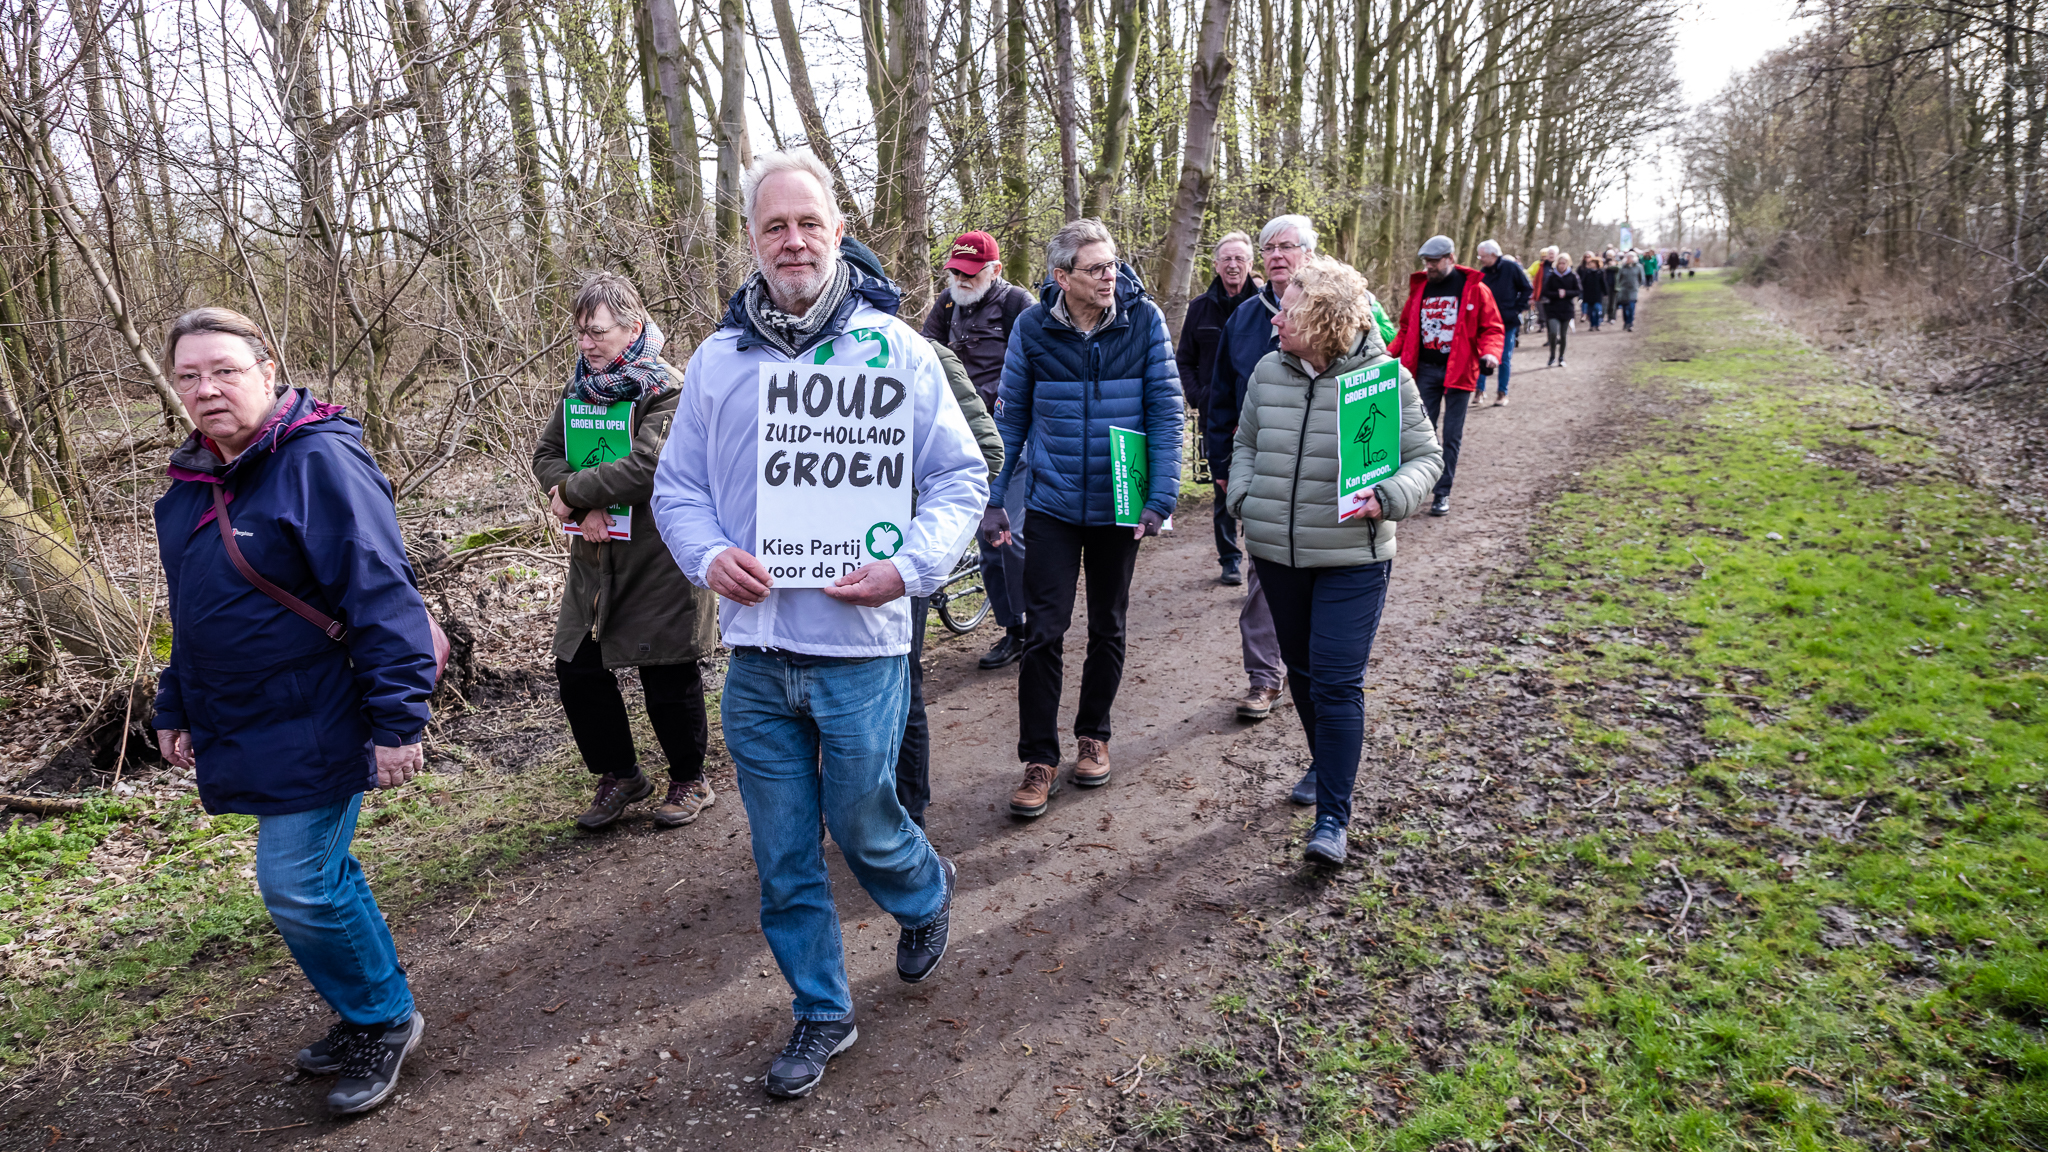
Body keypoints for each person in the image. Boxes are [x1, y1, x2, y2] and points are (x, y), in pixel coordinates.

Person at [650, 149, 986, 1100]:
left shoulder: (898, 350)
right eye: (773, 226)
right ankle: (820, 1010)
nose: (791, 241)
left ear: (839, 231)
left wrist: (911, 568)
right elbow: (677, 491)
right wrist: (709, 556)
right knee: (784, 850)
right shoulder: (718, 362)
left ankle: (923, 892)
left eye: (809, 224)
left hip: (859, 651)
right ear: (751, 241)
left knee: (864, 824)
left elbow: (962, 477)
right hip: (756, 656)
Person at [151, 307, 436, 1115]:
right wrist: (175, 703)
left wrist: (398, 721)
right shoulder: (192, 483)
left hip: (321, 710)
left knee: (297, 882)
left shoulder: (318, 463)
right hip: (245, 716)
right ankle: (366, 1009)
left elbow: (382, 595)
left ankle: (384, 1019)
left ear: (266, 369)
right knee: (321, 878)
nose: (207, 390)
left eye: (224, 371)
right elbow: (193, 609)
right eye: (189, 377)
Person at [1226, 255, 1443, 863]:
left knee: (1339, 682)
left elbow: (1427, 458)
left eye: (1288, 314)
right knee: (1305, 675)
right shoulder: (1268, 373)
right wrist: (1244, 493)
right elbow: (1243, 443)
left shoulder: (1385, 380)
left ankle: (1331, 821)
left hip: (1353, 557)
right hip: (1277, 555)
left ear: (1323, 319)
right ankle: (1326, 766)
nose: (1275, 324)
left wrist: (1392, 495)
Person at [982, 218, 1183, 818]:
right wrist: (995, 498)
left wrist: (1161, 497)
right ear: (1061, 276)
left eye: (1113, 264)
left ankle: (1094, 735)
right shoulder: (1032, 329)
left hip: (1121, 503)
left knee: (1109, 626)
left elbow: (1166, 413)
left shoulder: (1143, 321)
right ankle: (1038, 760)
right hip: (1052, 503)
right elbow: (1011, 419)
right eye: (1095, 268)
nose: (1110, 276)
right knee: (1043, 631)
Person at [533, 273, 720, 832]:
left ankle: (690, 779)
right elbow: (546, 453)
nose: (586, 344)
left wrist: (573, 492)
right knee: (577, 669)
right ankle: (619, 774)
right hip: (595, 560)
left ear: (633, 327)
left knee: (667, 672)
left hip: (658, 556)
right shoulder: (580, 389)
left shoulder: (668, 388)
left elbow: (647, 469)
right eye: (580, 333)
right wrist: (580, 502)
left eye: (597, 332)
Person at [862, 236, 1005, 833]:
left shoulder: (925, 357)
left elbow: (986, 450)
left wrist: (921, 517)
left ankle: (909, 812)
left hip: (898, 554)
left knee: (902, 678)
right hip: (813, 558)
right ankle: (849, 811)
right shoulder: (786, 366)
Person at [1204, 215, 1317, 722]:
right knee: (1262, 574)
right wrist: (1222, 463)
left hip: (1325, 469)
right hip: (1264, 467)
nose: (1275, 255)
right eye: (1267, 247)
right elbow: (1221, 396)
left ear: (1308, 253)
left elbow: (1377, 381)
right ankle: (1264, 677)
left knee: (1324, 574)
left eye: (1286, 246)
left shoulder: (1342, 307)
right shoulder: (1246, 319)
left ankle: (1315, 668)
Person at [921, 231, 1035, 670]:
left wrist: (987, 401)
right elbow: (925, 354)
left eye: (970, 273)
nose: (961, 280)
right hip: (957, 437)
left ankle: (1028, 625)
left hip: (1011, 439)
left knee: (1009, 538)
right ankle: (1013, 627)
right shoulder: (946, 306)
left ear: (995, 271)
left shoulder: (1017, 306)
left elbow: (1030, 368)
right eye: (955, 272)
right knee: (987, 545)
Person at [1385, 235, 1503, 519]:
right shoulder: (1421, 289)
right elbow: (1405, 328)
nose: (1430, 268)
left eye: (1435, 262)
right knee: (1420, 433)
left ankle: (1442, 492)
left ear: (1450, 258)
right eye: (1426, 262)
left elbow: (1492, 328)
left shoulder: (1475, 289)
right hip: (1424, 371)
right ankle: (1415, 489)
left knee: (1451, 435)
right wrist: (1388, 355)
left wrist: (1490, 354)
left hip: (1459, 371)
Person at [1175, 231, 1261, 585]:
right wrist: (1201, 396)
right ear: (1215, 265)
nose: (1233, 265)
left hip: (1259, 412)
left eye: (1240, 258)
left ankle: (1261, 560)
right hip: (1215, 415)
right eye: (1227, 258)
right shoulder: (1199, 308)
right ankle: (1229, 559)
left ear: (1251, 265)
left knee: (1263, 486)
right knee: (1223, 485)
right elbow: (1184, 361)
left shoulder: (1267, 306)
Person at [1475, 240, 1530, 408]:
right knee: (1482, 356)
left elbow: (1527, 288)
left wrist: (1517, 309)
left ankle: (1502, 392)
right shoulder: (1482, 273)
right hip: (1486, 322)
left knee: (1504, 357)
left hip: (1507, 321)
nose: (1480, 259)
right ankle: (1479, 390)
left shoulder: (1511, 268)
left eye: (1483, 256)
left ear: (1493, 255)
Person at [1540, 253, 1580, 368]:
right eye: (1560, 263)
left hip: (1567, 308)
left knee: (1563, 335)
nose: (1562, 265)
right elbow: (1545, 291)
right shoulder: (1551, 276)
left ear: (1568, 264)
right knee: (1553, 332)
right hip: (1553, 308)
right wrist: (1557, 294)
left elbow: (1578, 291)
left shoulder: (1572, 276)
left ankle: (1561, 357)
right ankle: (1552, 355)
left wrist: (1566, 293)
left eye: (1564, 263)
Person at [1613, 251, 1643, 332]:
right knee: (1625, 308)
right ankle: (1626, 322)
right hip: (1624, 290)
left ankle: (1630, 323)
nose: (1629, 259)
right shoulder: (1622, 267)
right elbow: (1618, 278)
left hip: (1633, 290)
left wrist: (1637, 286)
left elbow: (1641, 279)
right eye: (1628, 257)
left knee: (1631, 307)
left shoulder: (1638, 267)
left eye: (1631, 257)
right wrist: (1619, 287)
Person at [1578, 253, 1605, 330]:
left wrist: (1605, 292)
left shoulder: (1600, 273)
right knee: (1590, 312)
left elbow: (1603, 283)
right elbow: (1582, 283)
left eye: (1592, 263)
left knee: (1597, 309)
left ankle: (1597, 324)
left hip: (1597, 295)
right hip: (1588, 295)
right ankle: (1592, 325)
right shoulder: (1587, 272)